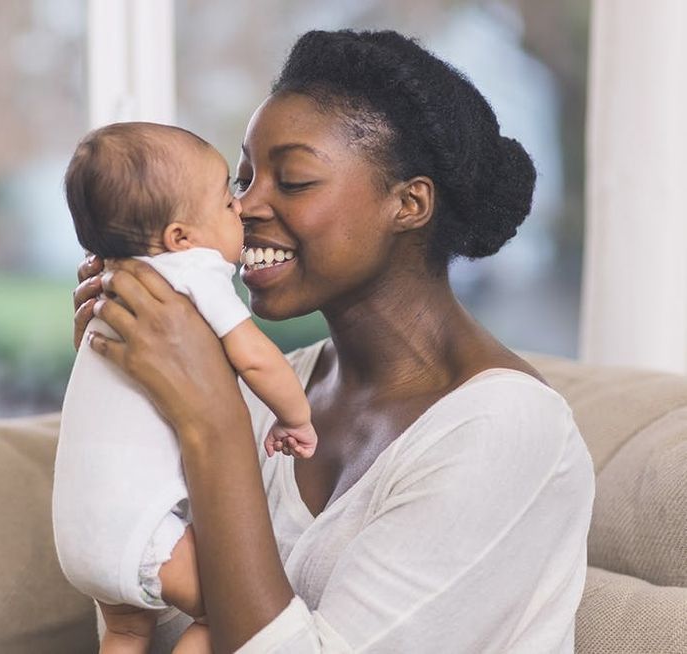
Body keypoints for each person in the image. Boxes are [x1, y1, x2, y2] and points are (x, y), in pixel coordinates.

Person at [71, 29, 596, 653]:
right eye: (239, 180)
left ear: (409, 203)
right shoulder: (271, 389)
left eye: (291, 181)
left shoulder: (506, 429)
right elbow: (149, 610)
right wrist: (125, 401)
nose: (245, 206)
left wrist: (211, 422)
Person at [54, 122, 319, 654]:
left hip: (75, 537)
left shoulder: (117, 287)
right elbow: (256, 359)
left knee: (127, 631)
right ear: (181, 238)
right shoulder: (192, 274)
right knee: (230, 612)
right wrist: (296, 417)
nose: (241, 209)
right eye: (228, 199)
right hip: (146, 533)